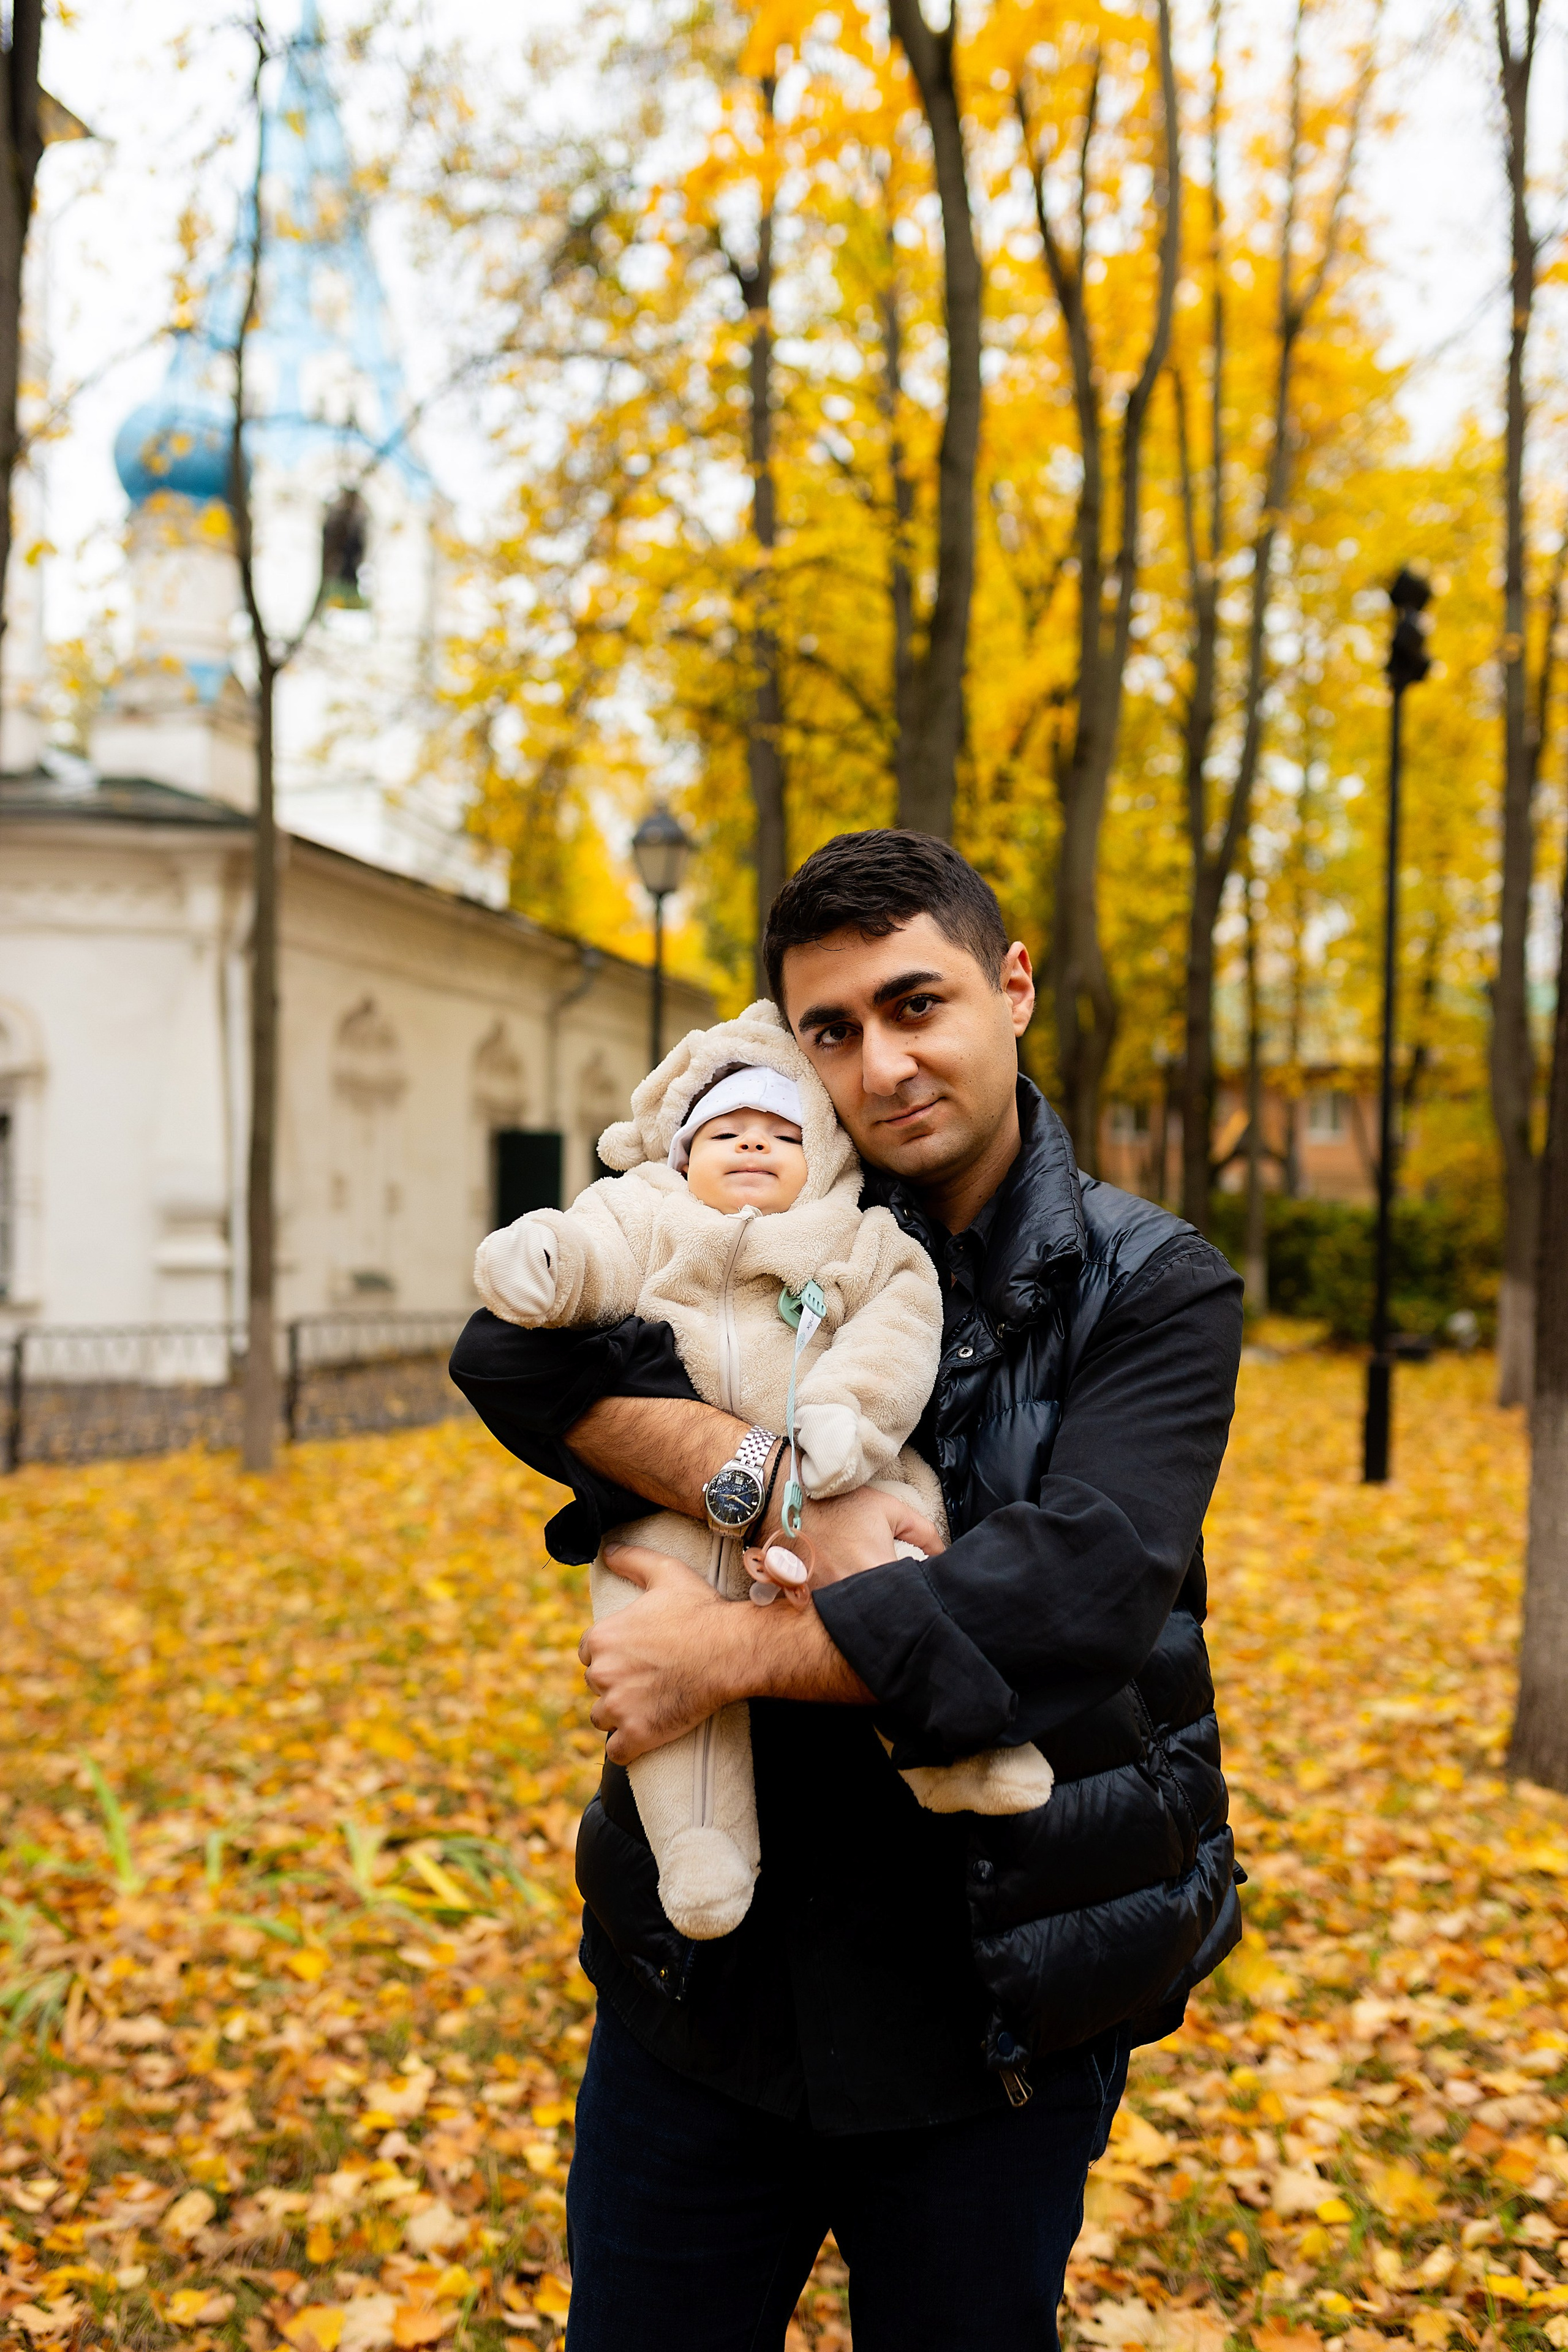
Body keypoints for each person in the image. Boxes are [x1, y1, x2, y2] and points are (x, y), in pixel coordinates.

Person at [450, 831, 1245, 2352]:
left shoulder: (1148, 1286)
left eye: (915, 1004)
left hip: (991, 1995)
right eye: (832, 1028)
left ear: (1010, 989)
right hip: (704, 1996)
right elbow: (503, 1351)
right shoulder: (747, 1212)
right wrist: (749, 1478)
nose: (878, 1065)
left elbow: (1075, 1592)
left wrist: (726, 1656)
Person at [470, 999, 1050, 1942]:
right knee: (652, 1634)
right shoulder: (648, 1215)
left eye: (782, 1133)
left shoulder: (853, 1235)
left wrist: (846, 1422)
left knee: (903, 1575)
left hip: (850, 1478)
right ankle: (701, 1844)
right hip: (668, 1517)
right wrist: (546, 1261)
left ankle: (960, 1744)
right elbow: (574, 1268)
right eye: (726, 1131)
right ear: (682, 1151)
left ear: (820, 1154)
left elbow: (899, 1328)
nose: (752, 1147)